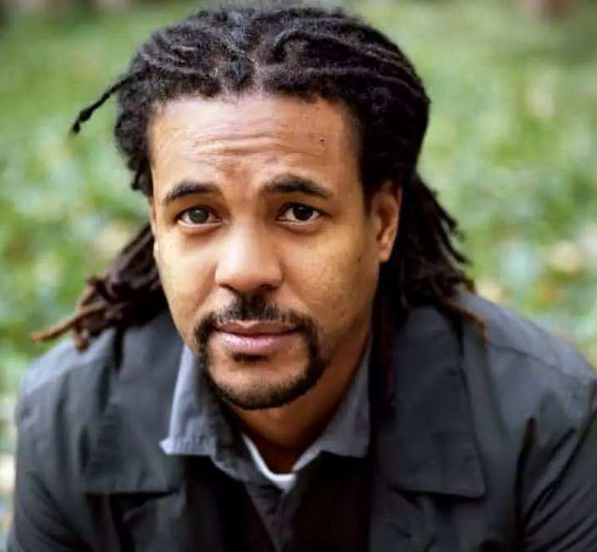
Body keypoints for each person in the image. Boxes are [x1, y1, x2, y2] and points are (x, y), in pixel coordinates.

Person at [9, 3, 597, 551]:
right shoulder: (68, 421)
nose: (244, 272)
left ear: (381, 222)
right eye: (197, 215)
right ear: (157, 228)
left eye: (298, 212)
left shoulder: (543, 420)